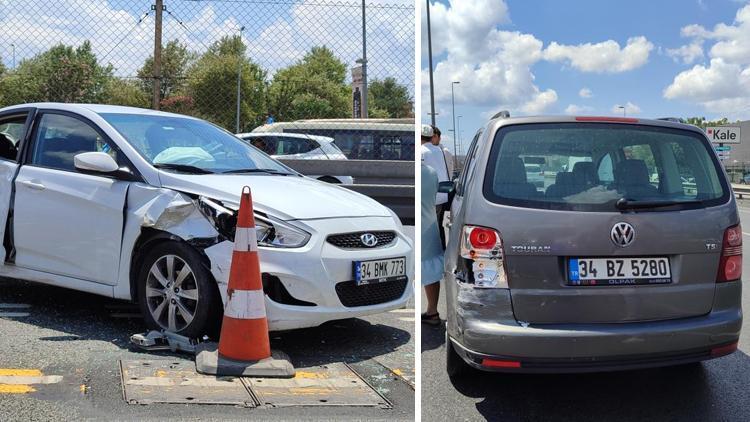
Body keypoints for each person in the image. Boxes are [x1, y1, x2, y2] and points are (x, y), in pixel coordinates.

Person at [421, 159, 444, 326]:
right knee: (430, 269)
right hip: (429, 224)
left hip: (418, 225)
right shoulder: (431, 172)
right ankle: (432, 311)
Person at [420, 124, 449, 249]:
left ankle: (434, 251)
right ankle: (441, 249)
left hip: (429, 197)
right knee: (437, 224)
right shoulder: (440, 150)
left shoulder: (421, 151)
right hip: (442, 195)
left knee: (428, 227)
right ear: (432, 136)